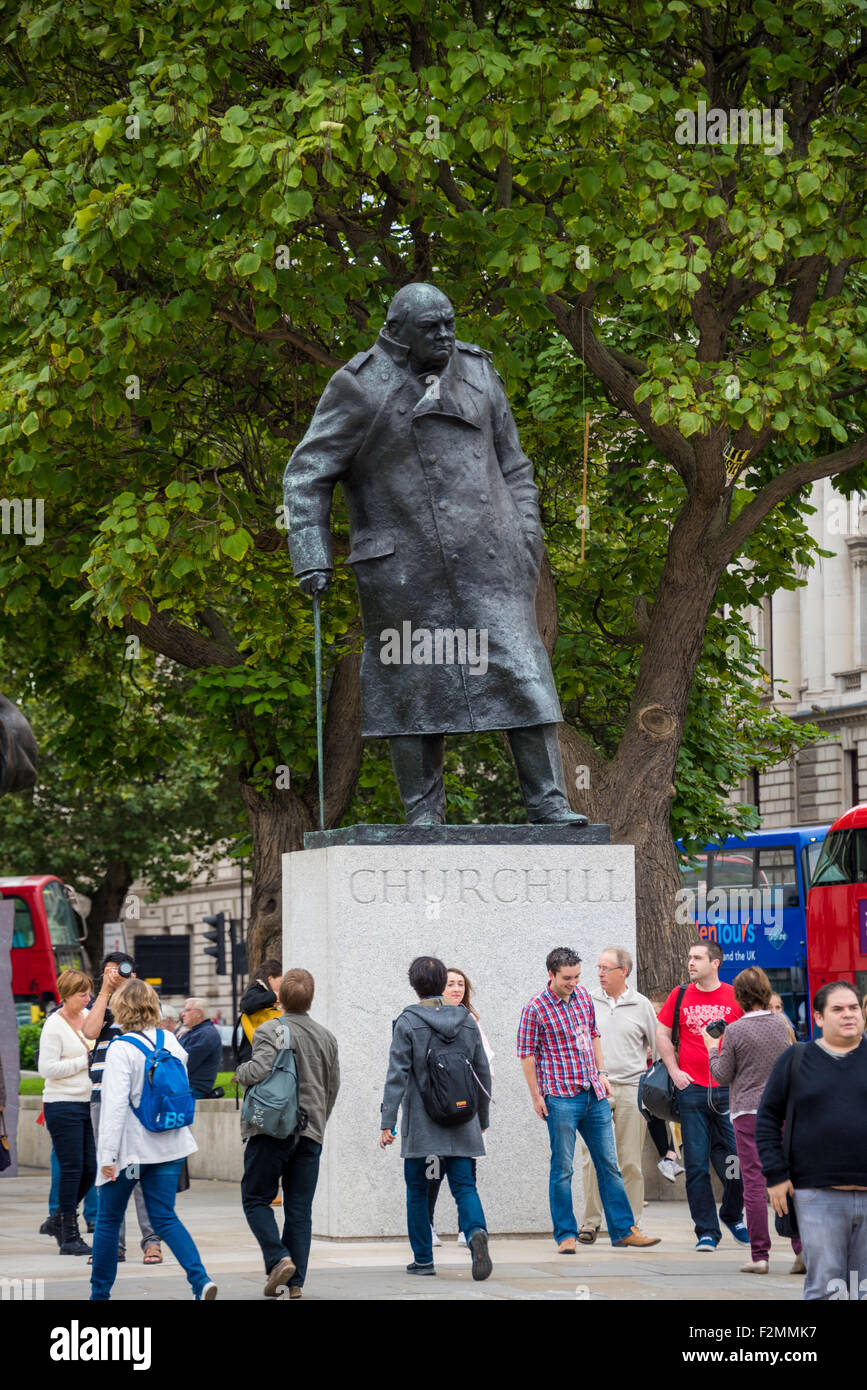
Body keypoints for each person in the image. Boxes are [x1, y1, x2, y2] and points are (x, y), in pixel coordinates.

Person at [283, 281, 587, 829]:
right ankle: (423, 814)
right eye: (432, 328)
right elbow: (307, 473)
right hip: (404, 569)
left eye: (450, 323)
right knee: (415, 682)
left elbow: (514, 465)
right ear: (397, 331)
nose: (447, 335)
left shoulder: (478, 371)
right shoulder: (358, 386)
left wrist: (526, 536)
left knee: (522, 671)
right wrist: (311, 552)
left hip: (492, 561)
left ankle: (548, 802)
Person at [518, 946, 660, 1253]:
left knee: (609, 1164)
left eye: (577, 976)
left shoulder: (583, 997)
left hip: (592, 1093)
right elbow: (526, 1054)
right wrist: (536, 1096)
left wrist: (602, 1072)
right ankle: (565, 1235)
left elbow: (594, 1034)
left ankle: (623, 1230)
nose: (574, 982)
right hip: (560, 1098)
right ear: (551, 975)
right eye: (567, 977)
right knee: (563, 1168)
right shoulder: (536, 1007)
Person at [90, 979, 216, 1300]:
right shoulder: (172, 1042)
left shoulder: (121, 1048)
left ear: (121, 1007)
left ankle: (99, 1295)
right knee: (164, 1217)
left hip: (132, 1154)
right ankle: (200, 1281)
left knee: (108, 1220)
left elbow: (114, 1107)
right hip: (171, 1146)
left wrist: (106, 1159)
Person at [380, 956, 493, 1279]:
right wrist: (481, 1118)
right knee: (465, 1186)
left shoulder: (408, 1022)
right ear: (443, 982)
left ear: (414, 986)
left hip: (423, 1125)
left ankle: (424, 1260)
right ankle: (474, 1233)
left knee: (418, 1191)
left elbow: (396, 1076)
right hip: (462, 1120)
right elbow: (482, 1072)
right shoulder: (467, 1020)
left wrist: (387, 1122)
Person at [757, 980, 867, 1301]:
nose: (849, 1015)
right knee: (825, 1288)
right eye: (838, 1009)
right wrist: (776, 1175)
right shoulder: (795, 1059)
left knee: (863, 1290)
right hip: (816, 1195)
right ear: (818, 1018)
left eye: (854, 1008)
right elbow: (766, 1119)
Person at [238, 968, 340, 1299]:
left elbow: (259, 1069)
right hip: (310, 1133)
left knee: (255, 1198)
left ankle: (278, 1257)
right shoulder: (326, 1037)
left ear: (280, 999)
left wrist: (240, 1072)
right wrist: (319, 1121)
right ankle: (294, 1283)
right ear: (311, 998)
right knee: (299, 1210)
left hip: (272, 1130)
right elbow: (332, 1087)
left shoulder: (272, 1029)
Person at [701, 966, 799, 1274]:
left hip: (747, 1114)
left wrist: (711, 1049)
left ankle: (760, 1256)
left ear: (739, 997)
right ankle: (803, 1250)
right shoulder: (782, 1024)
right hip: (784, 1111)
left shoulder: (734, 1031)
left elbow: (721, 1075)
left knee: (754, 1184)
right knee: (791, 1179)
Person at [656, 941, 747, 1251]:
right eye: (689, 957)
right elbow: (662, 1033)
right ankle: (706, 1231)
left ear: (715, 963)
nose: (690, 962)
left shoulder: (735, 996)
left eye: (697, 958)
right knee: (695, 1165)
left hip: (727, 1090)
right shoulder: (679, 994)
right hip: (690, 1089)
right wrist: (674, 1070)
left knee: (738, 1161)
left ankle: (733, 1215)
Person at [82, 953, 162, 1266]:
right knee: (108, 1169)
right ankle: (112, 1244)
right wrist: (104, 991)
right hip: (103, 1095)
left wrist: (130, 988)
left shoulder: (142, 1000)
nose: (115, 975)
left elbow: (154, 1031)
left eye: (120, 971)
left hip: (140, 1097)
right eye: (109, 972)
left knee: (141, 1171)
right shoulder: (102, 1006)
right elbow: (89, 1032)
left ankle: (151, 1241)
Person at [578, 947, 660, 1241]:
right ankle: (590, 1222)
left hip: (631, 1088)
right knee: (591, 1159)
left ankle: (631, 1224)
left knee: (629, 1160)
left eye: (606, 968)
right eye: (598, 967)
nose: (600, 973)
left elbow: (658, 1046)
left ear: (623, 971)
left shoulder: (641, 1005)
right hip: (595, 1089)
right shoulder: (586, 1000)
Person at [428, 968, 493, 1249]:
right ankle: (428, 1225)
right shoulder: (427, 1019)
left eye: (460, 984)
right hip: (436, 1109)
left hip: (467, 1109)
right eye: (450, 984)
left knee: (467, 1170)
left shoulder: (471, 1022)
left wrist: (482, 1112)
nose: (456, 989)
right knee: (433, 1170)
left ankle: (465, 1230)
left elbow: (484, 1068)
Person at [38, 968, 96, 1255]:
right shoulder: (54, 1024)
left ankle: (58, 1219)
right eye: (82, 994)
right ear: (67, 995)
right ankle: (69, 1236)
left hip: (89, 1102)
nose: (88, 998)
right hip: (62, 1104)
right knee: (72, 1168)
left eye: (89, 992)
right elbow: (46, 1069)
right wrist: (82, 1062)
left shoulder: (87, 1019)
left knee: (91, 1168)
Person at [645, 989, 684, 1183]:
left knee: (680, 1116)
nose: (656, 1018)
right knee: (653, 1114)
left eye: (658, 1013)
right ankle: (666, 1157)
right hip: (650, 1080)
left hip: (669, 1079)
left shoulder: (670, 1028)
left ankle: (670, 1156)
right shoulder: (646, 1025)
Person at [234, 959, 283, 1068]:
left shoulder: (265, 995)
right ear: (270, 979)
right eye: (281, 981)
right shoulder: (258, 989)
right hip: (253, 1056)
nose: (282, 986)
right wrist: (273, 996)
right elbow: (246, 1004)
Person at [178, 998, 222, 1098]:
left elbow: (184, 1064)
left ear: (199, 1013)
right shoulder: (192, 1032)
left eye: (187, 1010)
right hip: (185, 1085)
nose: (182, 1014)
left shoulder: (206, 1034)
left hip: (193, 1088)